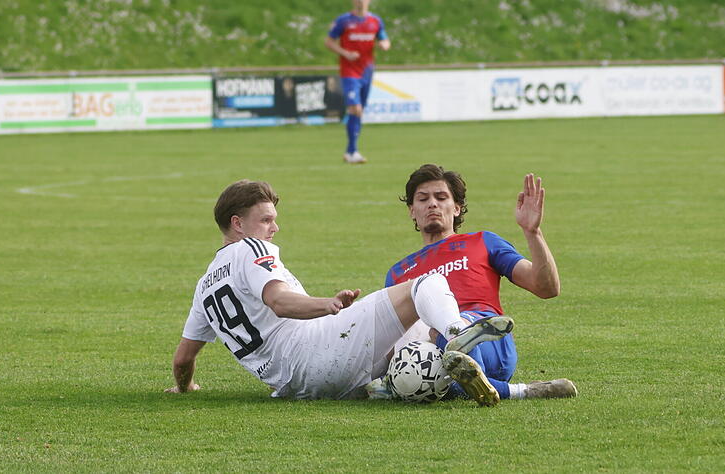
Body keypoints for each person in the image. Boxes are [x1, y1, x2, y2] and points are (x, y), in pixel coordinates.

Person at [165, 179, 513, 405]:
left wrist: (185, 387)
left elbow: (183, 359)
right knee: (427, 285)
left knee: (420, 329)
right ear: (238, 224)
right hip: (315, 351)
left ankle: (392, 384)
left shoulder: (205, 284)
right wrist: (327, 305)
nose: (275, 227)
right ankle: (458, 333)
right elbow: (278, 301)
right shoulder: (252, 249)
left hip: (296, 386)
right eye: (266, 219)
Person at [380, 164, 577, 400]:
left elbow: (547, 288)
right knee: (424, 352)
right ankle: (522, 391)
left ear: (456, 208)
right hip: (432, 351)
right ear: (412, 210)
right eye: (423, 199)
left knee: (448, 330)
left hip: (489, 339)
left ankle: (460, 348)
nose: (432, 203)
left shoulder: (483, 242)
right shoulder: (399, 273)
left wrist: (533, 232)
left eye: (441, 197)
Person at [325, 0, 390, 164]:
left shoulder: (375, 21)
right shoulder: (344, 20)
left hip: (367, 72)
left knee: (358, 112)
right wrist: (345, 53)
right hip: (350, 72)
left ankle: (350, 152)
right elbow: (329, 41)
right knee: (356, 108)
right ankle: (352, 151)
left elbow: (385, 39)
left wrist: (384, 44)